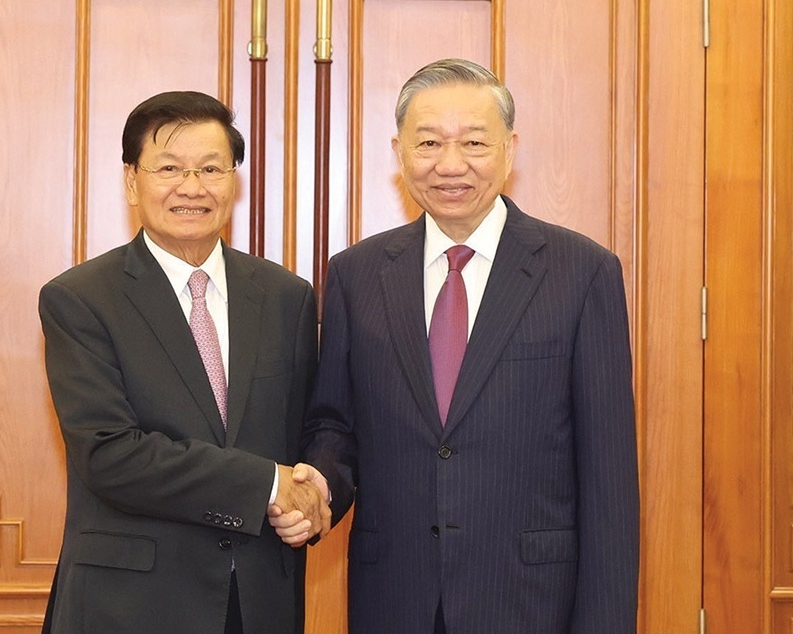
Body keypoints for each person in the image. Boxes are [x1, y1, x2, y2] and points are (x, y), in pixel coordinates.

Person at [273, 58, 640, 633]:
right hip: (394, 601)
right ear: (398, 152)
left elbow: (609, 478)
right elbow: (335, 425)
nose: (450, 164)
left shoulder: (582, 272)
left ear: (509, 150)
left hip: (531, 604)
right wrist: (319, 484)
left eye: (473, 142)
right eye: (428, 143)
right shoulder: (356, 274)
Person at [38, 90, 329, 634]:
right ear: (132, 181)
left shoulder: (286, 296)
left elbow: (313, 426)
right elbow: (109, 454)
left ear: (233, 182)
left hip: (258, 601)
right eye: (169, 168)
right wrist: (267, 484)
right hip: (129, 606)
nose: (192, 187)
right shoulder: (80, 299)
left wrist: (317, 491)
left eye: (211, 169)